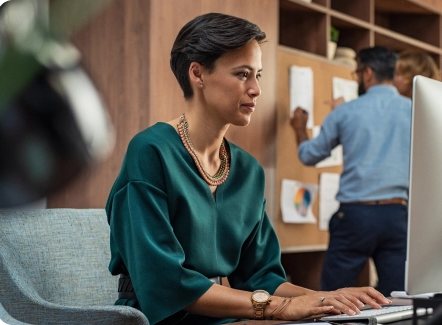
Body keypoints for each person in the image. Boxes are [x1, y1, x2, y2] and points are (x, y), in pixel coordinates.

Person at [105, 13, 391, 325]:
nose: (255, 89)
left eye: (258, 75)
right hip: (156, 317)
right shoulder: (150, 152)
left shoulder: (247, 170)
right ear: (197, 74)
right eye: (243, 74)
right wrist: (281, 308)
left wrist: (324, 299)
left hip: (222, 316)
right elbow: (164, 282)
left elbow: (262, 277)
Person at [290, 46, 411, 296]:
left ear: (367, 73)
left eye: (357, 73)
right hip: (397, 215)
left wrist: (300, 129)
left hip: (356, 216)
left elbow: (309, 154)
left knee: (335, 297)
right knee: (399, 298)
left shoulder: (346, 112)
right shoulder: (414, 110)